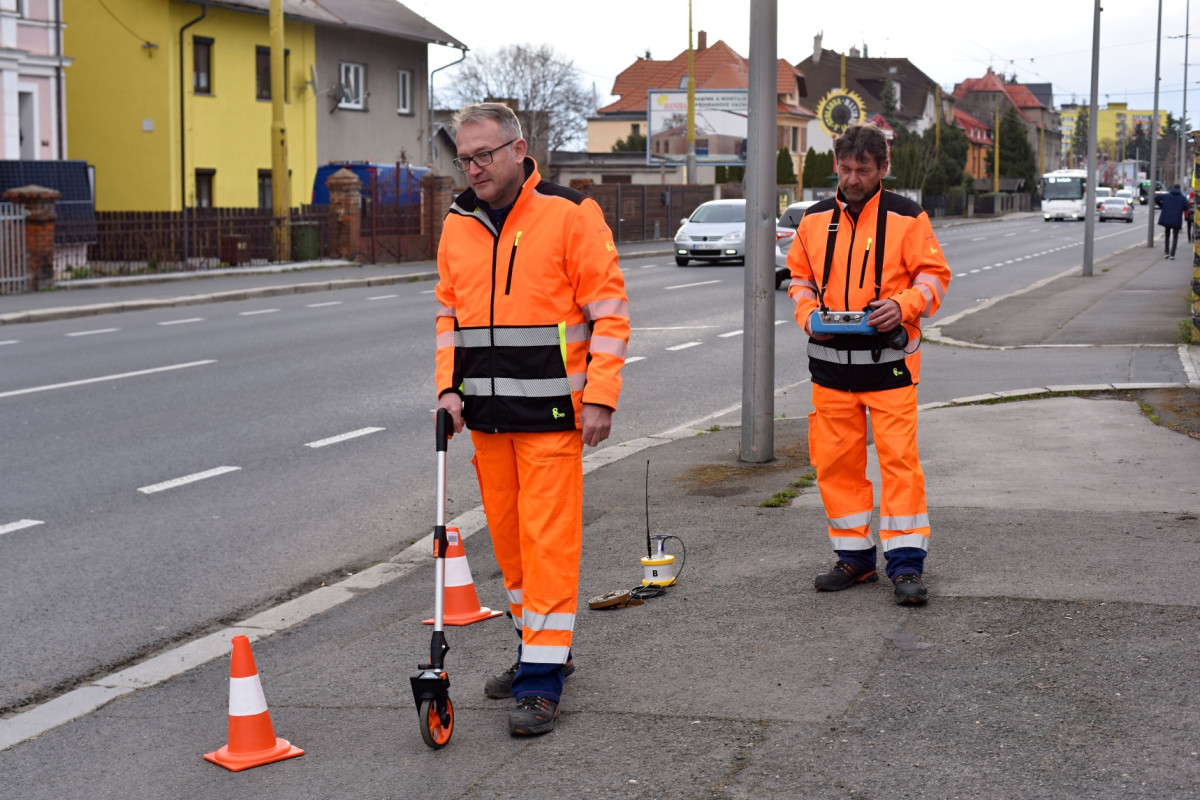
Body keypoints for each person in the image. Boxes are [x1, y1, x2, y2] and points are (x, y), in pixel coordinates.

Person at [433, 103, 630, 736]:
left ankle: (542, 681)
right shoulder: (458, 223)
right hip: (488, 422)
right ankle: (540, 649)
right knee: (513, 550)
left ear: (519, 151)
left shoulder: (571, 214)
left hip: (551, 416)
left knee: (547, 548)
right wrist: (448, 391)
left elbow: (609, 313)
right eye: (464, 159)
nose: (473, 169)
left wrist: (600, 395)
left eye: (484, 155)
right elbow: (449, 316)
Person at [785, 123, 951, 606]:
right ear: (836, 164)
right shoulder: (814, 219)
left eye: (863, 169)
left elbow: (934, 277)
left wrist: (902, 306)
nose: (852, 179)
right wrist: (807, 315)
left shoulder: (908, 217)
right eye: (845, 168)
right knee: (836, 465)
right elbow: (798, 279)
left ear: (884, 168)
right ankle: (854, 558)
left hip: (889, 367)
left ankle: (906, 565)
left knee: (899, 465)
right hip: (830, 369)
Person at [1157, 184, 1189, 259]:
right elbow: (1186, 206)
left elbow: (1156, 198)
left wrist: (1162, 205)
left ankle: (1166, 252)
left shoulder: (1167, 196)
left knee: (1167, 235)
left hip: (1167, 218)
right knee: (1175, 236)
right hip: (1176, 219)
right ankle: (1172, 254)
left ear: (1173, 188)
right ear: (1179, 189)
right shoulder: (1182, 198)